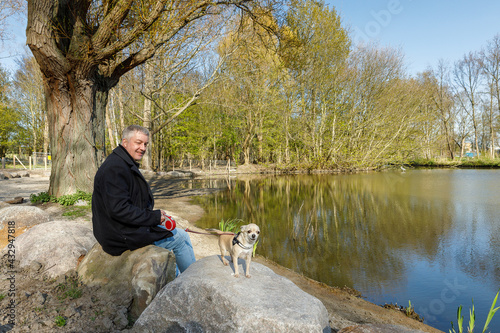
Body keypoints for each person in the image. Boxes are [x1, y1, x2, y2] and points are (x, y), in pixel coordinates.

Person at [92, 124, 196, 274]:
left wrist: (155, 216)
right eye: (138, 143)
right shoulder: (115, 169)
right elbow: (120, 209)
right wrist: (153, 217)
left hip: (121, 229)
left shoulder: (121, 162)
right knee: (181, 238)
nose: (143, 148)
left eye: (145, 144)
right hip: (120, 236)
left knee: (173, 235)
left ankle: (178, 278)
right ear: (125, 142)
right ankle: (191, 280)